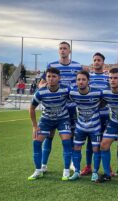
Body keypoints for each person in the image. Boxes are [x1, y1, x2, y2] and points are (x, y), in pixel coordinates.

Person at [37, 41, 82, 174]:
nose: (62, 50)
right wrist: (42, 87)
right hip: (53, 106)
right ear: (58, 51)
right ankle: (44, 164)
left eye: (65, 48)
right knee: (48, 136)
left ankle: (72, 163)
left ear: (69, 51)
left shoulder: (77, 66)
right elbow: (41, 83)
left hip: (70, 106)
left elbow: (79, 83)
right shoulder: (51, 65)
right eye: (60, 48)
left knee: (70, 136)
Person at [27, 67, 73, 180]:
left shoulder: (66, 90)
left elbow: (77, 99)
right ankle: (38, 170)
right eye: (48, 76)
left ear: (59, 78)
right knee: (36, 142)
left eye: (54, 76)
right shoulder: (40, 92)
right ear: (46, 78)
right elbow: (31, 108)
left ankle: (66, 171)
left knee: (67, 141)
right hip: (46, 120)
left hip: (62, 119)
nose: (51, 79)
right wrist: (34, 126)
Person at [68, 70, 103, 182]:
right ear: (76, 81)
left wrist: (98, 107)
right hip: (81, 126)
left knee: (96, 149)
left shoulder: (97, 92)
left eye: (83, 79)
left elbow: (105, 100)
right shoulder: (73, 93)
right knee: (76, 148)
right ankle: (77, 171)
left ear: (88, 81)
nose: (81, 82)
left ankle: (95, 172)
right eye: (78, 79)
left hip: (95, 126)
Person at [80, 52, 110, 176]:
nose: (96, 62)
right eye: (95, 60)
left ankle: (107, 167)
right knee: (90, 142)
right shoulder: (88, 77)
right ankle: (88, 166)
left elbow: (109, 94)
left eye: (99, 60)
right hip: (91, 116)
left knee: (105, 142)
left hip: (105, 114)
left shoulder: (108, 77)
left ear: (103, 62)